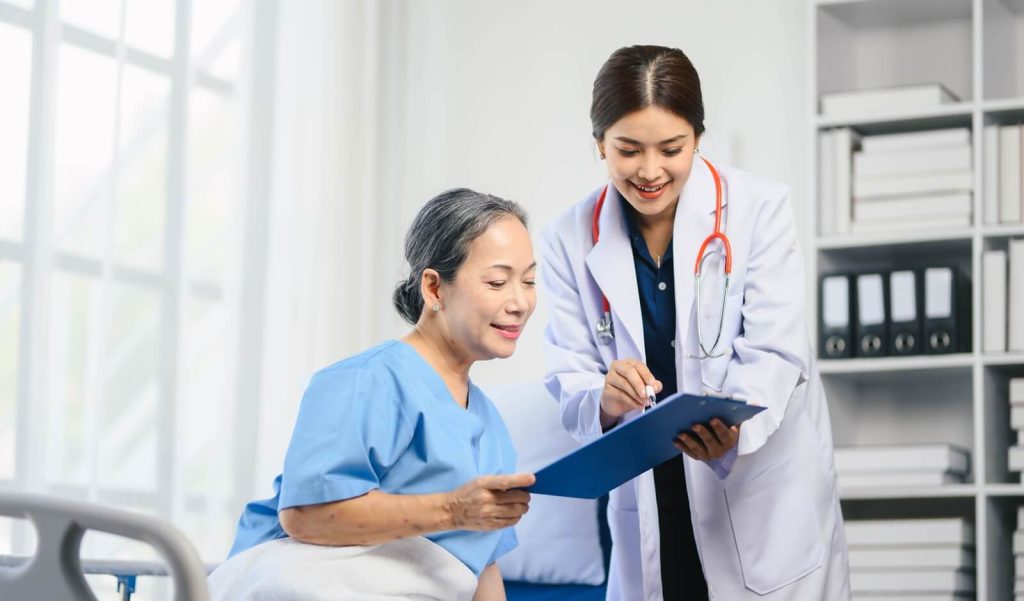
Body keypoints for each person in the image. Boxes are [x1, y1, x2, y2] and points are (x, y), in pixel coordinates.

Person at [540, 46, 850, 600]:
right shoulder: (568, 238)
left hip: (756, 490)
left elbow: (776, 353)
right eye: (627, 150)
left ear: (698, 138)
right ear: (598, 145)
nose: (650, 170)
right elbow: (570, 372)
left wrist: (732, 430)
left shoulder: (759, 210)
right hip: (653, 499)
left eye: (671, 148)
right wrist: (605, 398)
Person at [217, 188, 538, 600]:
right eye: (497, 281)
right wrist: (454, 510)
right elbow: (306, 517)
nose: (520, 302)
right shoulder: (365, 381)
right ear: (435, 289)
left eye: (529, 281)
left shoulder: (492, 427)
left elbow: (481, 567)